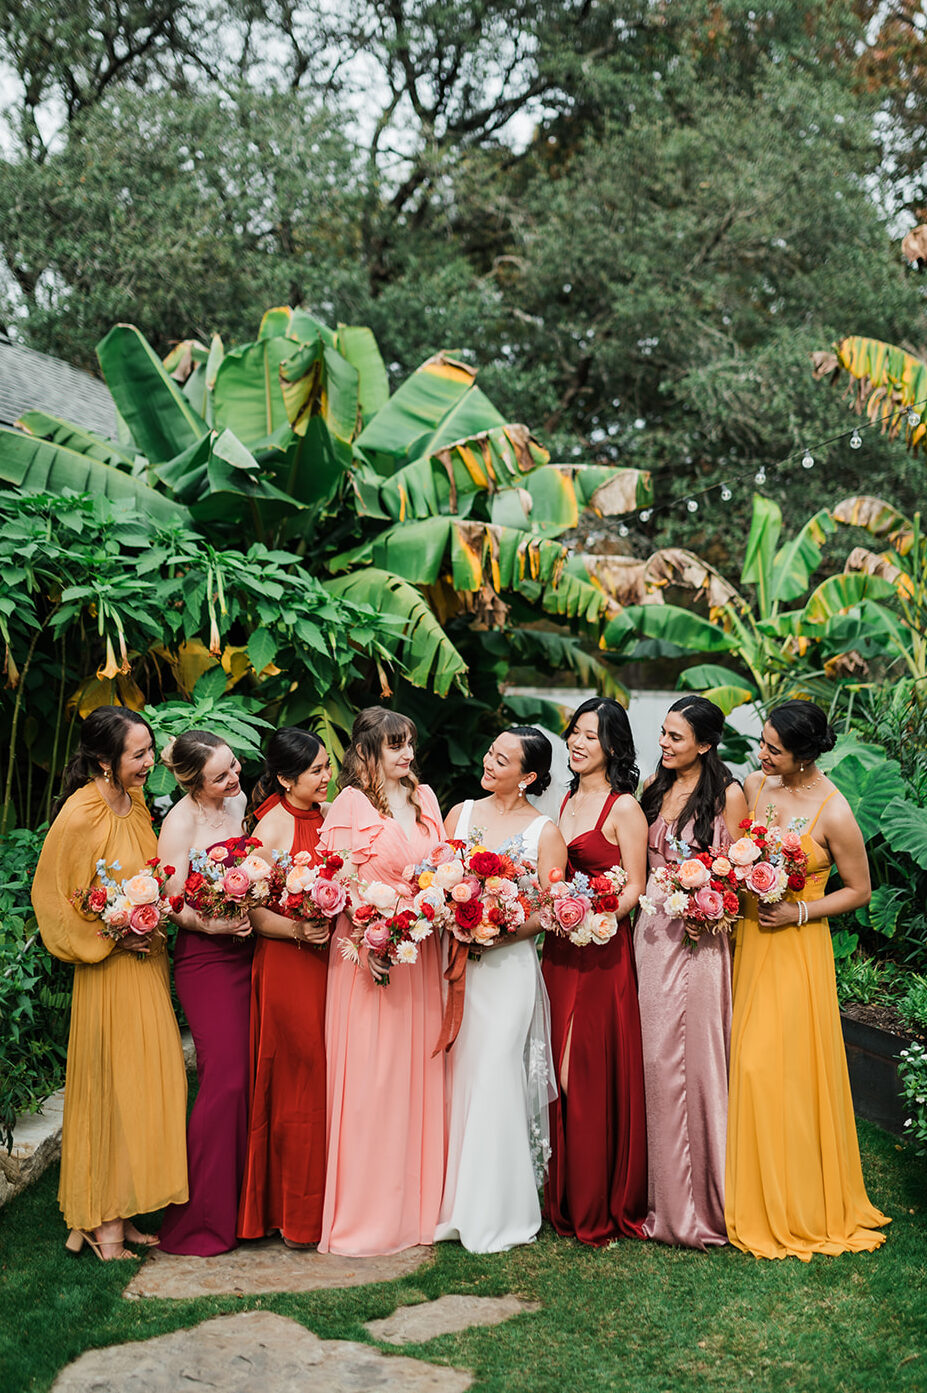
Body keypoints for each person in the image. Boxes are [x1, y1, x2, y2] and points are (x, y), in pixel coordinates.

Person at [725, 699, 890, 1259]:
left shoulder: (835, 810)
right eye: (763, 743)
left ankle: (794, 1196)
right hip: (749, 940)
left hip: (796, 948)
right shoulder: (755, 786)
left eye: (774, 748)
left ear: (804, 754)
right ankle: (738, 1190)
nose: (762, 754)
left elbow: (859, 890)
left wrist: (799, 912)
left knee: (778, 1067)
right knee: (741, 1062)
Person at [32, 706, 187, 1260]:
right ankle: (107, 1229)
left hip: (145, 968)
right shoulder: (81, 814)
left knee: (148, 1086)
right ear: (104, 760)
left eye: (150, 750)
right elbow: (52, 898)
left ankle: (110, 1210)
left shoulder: (134, 802)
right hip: (109, 974)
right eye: (138, 754)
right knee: (115, 1091)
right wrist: (110, 938)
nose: (149, 762)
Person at [317, 707, 446, 1255]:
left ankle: (420, 1212)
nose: (408, 755)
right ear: (366, 752)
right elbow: (335, 882)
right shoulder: (349, 805)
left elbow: (441, 870)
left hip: (420, 957)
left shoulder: (426, 799)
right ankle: (366, 1216)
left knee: (419, 1079)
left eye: (410, 744)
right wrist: (373, 938)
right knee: (373, 1085)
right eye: (396, 747)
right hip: (367, 962)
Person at [436, 727, 567, 1253]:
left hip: (509, 966)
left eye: (503, 759)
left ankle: (499, 1211)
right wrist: (457, 917)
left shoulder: (544, 832)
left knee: (495, 1073)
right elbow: (437, 879)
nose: (489, 762)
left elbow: (553, 909)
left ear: (529, 776)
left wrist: (501, 929)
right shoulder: (460, 814)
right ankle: (455, 1206)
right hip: (461, 963)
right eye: (490, 751)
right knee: (463, 1074)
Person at [635, 696, 748, 1247]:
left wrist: (714, 904)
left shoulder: (728, 794)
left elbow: (743, 870)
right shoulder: (654, 791)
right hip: (652, 936)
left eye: (675, 737)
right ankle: (659, 1197)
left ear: (704, 744)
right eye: (662, 733)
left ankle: (706, 1201)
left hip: (703, 941)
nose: (663, 743)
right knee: (654, 1058)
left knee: (701, 1062)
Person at [542, 698, 649, 1245]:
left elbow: (635, 883)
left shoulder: (624, 808)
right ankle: (562, 1195)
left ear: (612, 744)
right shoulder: (562, 799)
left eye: (590, 735)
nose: (577, 743)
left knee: (583, 1069)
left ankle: (596, 1200)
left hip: (602, 951)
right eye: (574, 733)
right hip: (559, 951)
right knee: (553, 1065)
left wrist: (600, 919)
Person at [157, 730, 253, 1256]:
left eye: (234, 766)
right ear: (194, 782)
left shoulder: (239, 803)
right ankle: (200, 1219)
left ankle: (246, 1209)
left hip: (251, 953)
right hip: (207, 959)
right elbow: (171, 903)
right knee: (226, 1080)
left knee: (253, 1076)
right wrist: (213, 927)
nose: (234, 778)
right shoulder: (180, 823)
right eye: (221, 775)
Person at [237, 729, 332, 1248]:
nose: (326, 776)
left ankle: (326, 1205)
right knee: (299, 1076)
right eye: (317, 770)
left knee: (327, 1076)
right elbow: (249, 909)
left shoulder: (332, 816)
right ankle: (290, 1211)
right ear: (284, 778)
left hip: (329, 964)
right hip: (288, 964)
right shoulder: (271, 827)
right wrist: (297, 928)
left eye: (325, 766)